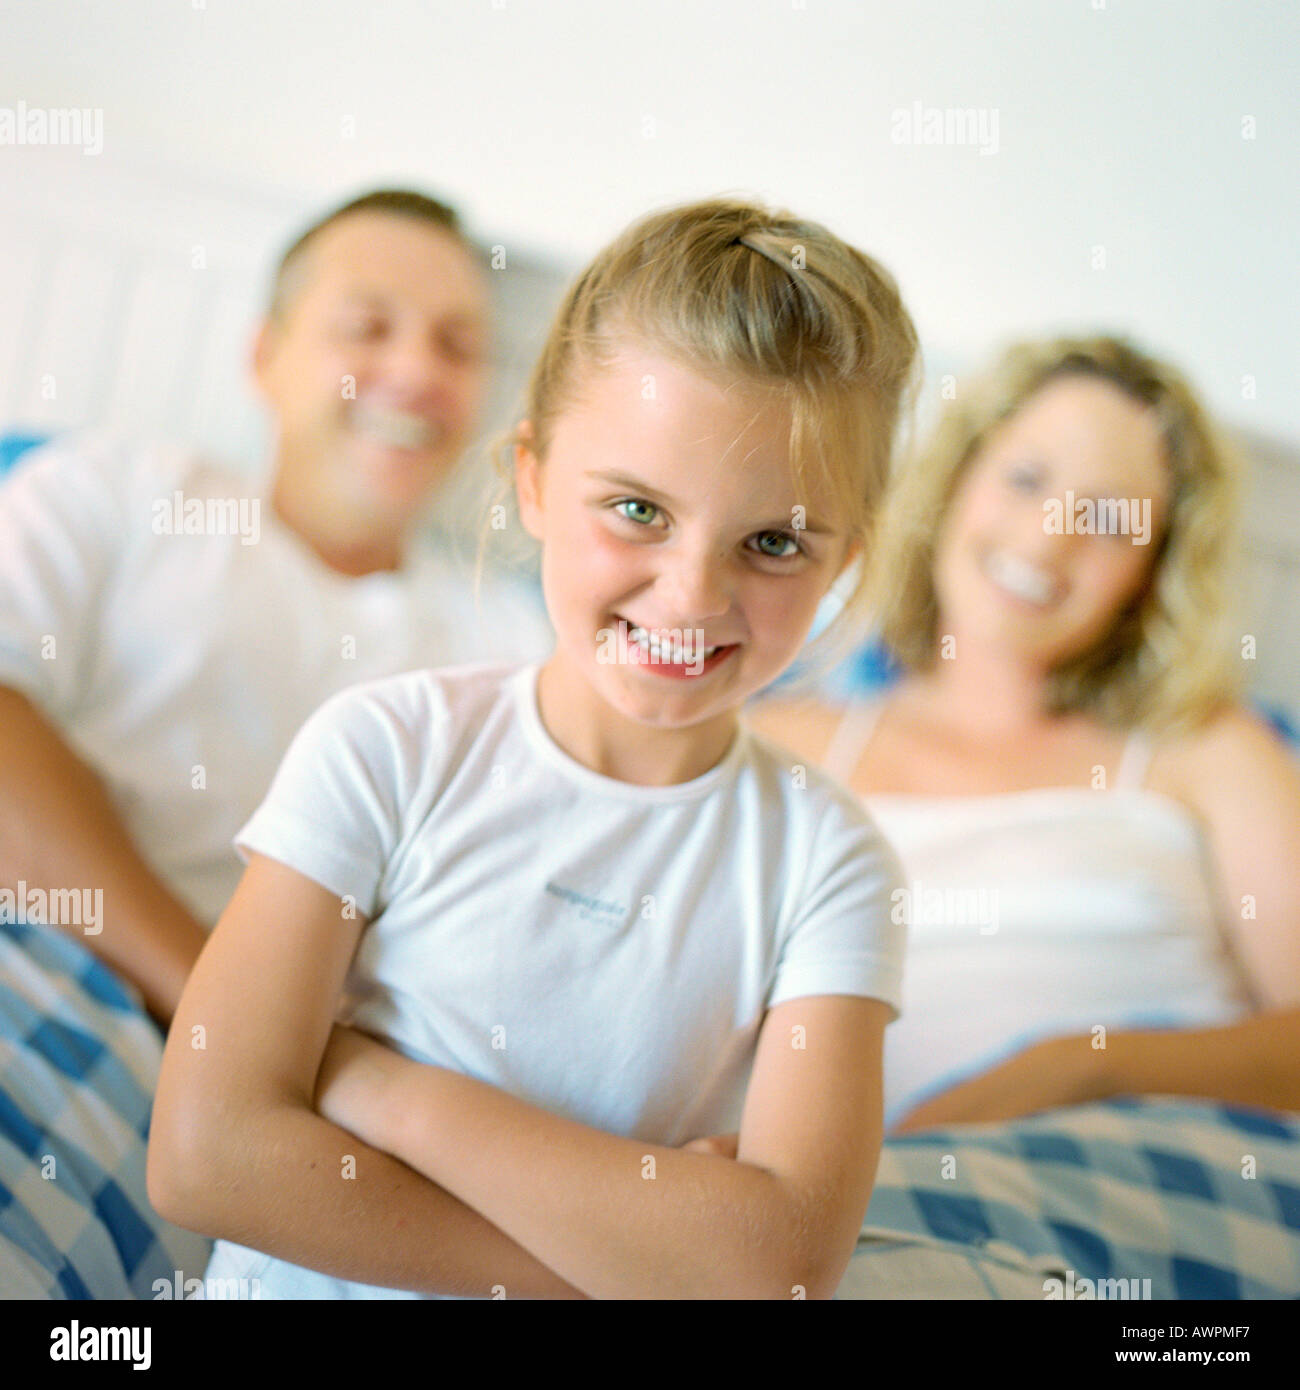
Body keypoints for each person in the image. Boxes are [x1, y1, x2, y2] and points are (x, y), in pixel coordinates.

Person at [147, 196, 920, 1300]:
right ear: (532, 479)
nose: (691, 595)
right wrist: (634, 1267)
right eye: (638, 510)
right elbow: (206, 1156)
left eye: (773, 541)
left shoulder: (830, 865)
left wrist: (381, 1091)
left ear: (848, 553)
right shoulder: (388, 750)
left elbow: (776, 1265)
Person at [0, 189, 550, 1025]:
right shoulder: (113, 488)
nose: (417, 373)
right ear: (266, 357)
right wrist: (210, 1005)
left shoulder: (511, 639)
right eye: (367, 328)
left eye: (459, 346)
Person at [748, 335, 1300, 1134]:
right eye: (1025, 479)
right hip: (846, 1209)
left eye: (1109, 520)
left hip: (1135, 1190)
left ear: (1153, 569)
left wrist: (1085, 1066)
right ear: (954, 484)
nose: (1047, 539)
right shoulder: (780, 741)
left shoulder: (1208, 750)